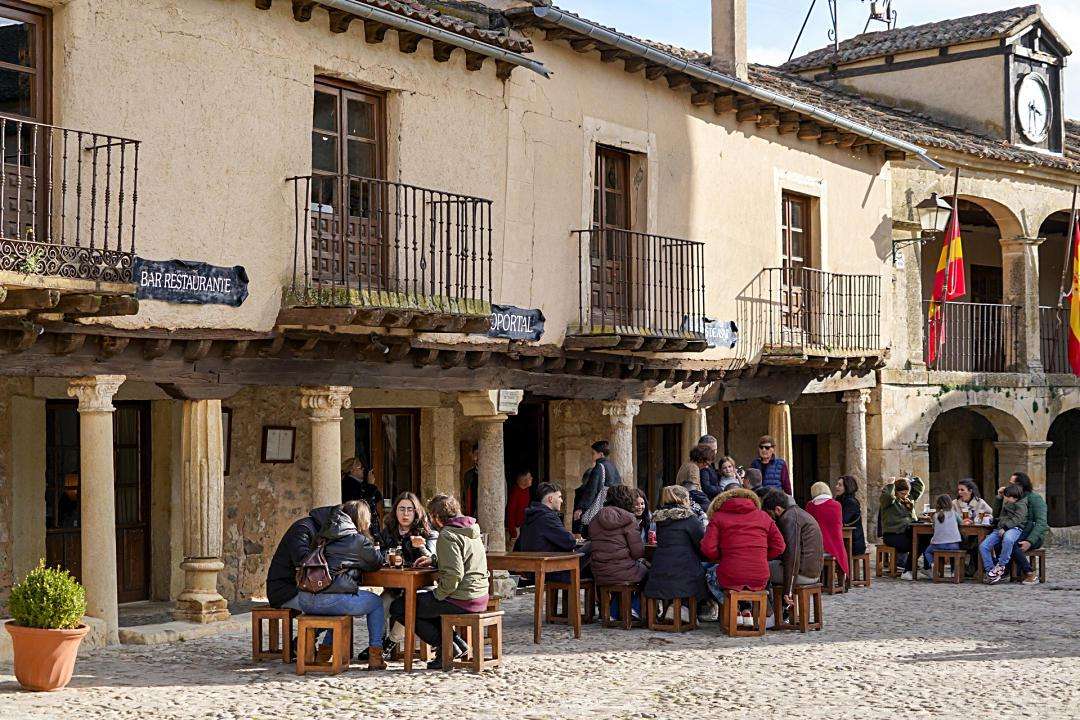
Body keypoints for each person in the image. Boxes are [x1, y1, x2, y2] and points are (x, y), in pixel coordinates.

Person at [388, 494, 489, 669]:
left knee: (400, 607)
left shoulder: (448, 534)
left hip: (461, 597)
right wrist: (434, 560)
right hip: (478, 593)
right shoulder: (471, 529)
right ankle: (455, 644)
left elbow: (454, 575)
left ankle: (447, 647)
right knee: (422, 604)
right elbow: (463, 559)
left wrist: (438, 594)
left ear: (436, 517)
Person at [291, 502, 386, 670]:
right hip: (330, 601)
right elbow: (376, 563)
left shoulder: (323, 535)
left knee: (343, 605)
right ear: (362, 520)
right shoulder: (357, 540)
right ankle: (375, 656)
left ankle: (324, 653)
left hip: (305, 599)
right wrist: (374, 547)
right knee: (376, 603)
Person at [363, 492, 438, 661]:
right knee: (379, 604)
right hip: (395, 587)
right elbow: (378, 555)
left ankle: (389, 643)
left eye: (410, 510)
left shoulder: (427, 532)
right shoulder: (388, 532)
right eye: (401, 509)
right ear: (395, 511)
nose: (405, 514)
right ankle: (376, 645)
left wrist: (422, 547)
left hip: (421, 589)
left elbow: (434, 560)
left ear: (416, 512)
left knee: (408, 606)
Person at [700, 487, 785, 627]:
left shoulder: (718, 517)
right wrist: (761, 556)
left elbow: (707, 548)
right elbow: (780, 546)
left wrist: (722, 557)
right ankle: (746, 611)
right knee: (743, 581)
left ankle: (735, 610)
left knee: (710, 575)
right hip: (760, 575)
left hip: (730, 573)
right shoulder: (763, 516)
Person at [644, 485, 707, 623]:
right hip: (684, 570)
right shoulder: (690, 519)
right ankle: (684, 608)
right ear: (684, 499)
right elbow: (701, 543)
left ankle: (674, 608)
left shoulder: (660, 519)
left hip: (660, 568)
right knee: (701, 574)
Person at [588, 485, 647, 621]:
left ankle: (614, 613)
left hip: (599, 571)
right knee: (649, 574)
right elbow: (637, 553)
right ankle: (635, 608)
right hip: (621, 570)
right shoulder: (629, 519)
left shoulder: (595, 518)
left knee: (623, 573)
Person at [762, 489, 823, 617]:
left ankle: (770, 614)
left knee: (759, 570)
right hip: (812, 571)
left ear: (777, 509)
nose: (770, 518)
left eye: (770, 514)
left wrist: (788, 591)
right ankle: (777, 612)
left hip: (802, 573)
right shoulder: (799, 513)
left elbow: (792, 556)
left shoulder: (789, 518)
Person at [514, 482, 579, 583]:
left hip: (532, 569)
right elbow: (569, 542)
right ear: (550, 499)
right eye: (559, 497)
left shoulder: (531, 516)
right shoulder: (548, 517)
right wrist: (570, 536)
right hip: (549, 570)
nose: (561, 500)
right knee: (592, 547)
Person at [998, 472, 1048, 585]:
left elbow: (1041, 523)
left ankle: (1029, 573)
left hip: (1032, 535)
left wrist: (1030, 541)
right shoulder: (1013, 497)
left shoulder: (1035, 499)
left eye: (1012, 484)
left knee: (1013, 545)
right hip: (1016, 532)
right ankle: (1004, 571)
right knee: (997, 541)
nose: (1009, 486)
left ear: (1021, 485)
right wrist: (999, 498)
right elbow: (998, 515)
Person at [982, 484, 1029, 584]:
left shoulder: (1021, 505)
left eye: (1007, 496)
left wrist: (1005, 528)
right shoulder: (1007, 503)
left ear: (1014, 497)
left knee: (1008, 540)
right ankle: (991, 571)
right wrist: (998, 498)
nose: (1005, 498)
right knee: (984, 546)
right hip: (1000, 529)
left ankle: (1001, 566)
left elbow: (1018, 519)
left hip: (1014, 529)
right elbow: (997, 515)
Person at [880, 476, 924, 580]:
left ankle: (910, 568)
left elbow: (919, 488)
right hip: (893, 535)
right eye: (902, 493)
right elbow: (887, 495)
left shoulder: (908, 499)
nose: (905, 496)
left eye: (907, 493)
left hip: (907, 533)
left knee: (924, 539)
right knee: (916, 544)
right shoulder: (889, 501)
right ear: (896, 492)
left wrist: (911, 479)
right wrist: (890, 484)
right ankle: (907, 568)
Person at [573, 440, 620, 534]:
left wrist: (581, 508)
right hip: (611, 508)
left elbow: (592, 490)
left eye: (593, 453)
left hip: (599, 508)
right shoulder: (613, 467)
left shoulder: (599, 467)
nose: (592, 456)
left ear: (601, 454)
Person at [804, 481, 848, 578]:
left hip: (815, 546)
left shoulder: (810, 506)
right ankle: (841, 578)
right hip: (835, 545)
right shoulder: (836, 505)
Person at [341, 457, 383, 537]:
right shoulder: (349, 484)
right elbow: (362, 503)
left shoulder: (360, 483)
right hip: (358, 524)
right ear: (352, 470)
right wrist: (370, 485)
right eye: (360, 468)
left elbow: (378, 497)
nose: (363, 469)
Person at [922, 494, 962, 573]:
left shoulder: (935, 516)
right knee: (954, 553)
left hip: (938, 544)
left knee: (927, 552)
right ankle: (953, 572)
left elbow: (934, 527)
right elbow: (961, 523)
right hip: (953, 545)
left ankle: (933, 564)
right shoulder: (954, 513)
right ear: (950, 503)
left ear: (938, 504)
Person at [833, 475, 866, 556]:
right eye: (837, 484)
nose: (836, 486)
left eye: (840, 485)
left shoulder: (851, 502)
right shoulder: (840, 500)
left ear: (847, 487)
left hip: (853, 543)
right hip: (845, 540)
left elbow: (842, 520)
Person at [506, 470, 534, 545]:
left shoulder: (526, 490)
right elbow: (510, 513)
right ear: (523, 480)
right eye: (529, 477)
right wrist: (513, 532)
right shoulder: (515, 493)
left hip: (523, 527)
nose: (532, 478)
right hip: (514, 529)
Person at [461, 443, 479, 518]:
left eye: (481, 454)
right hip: (472, 514)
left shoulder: (493, 474)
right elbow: (465, 495)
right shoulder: (468, 475)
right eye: (476, 454)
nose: (478, 457)